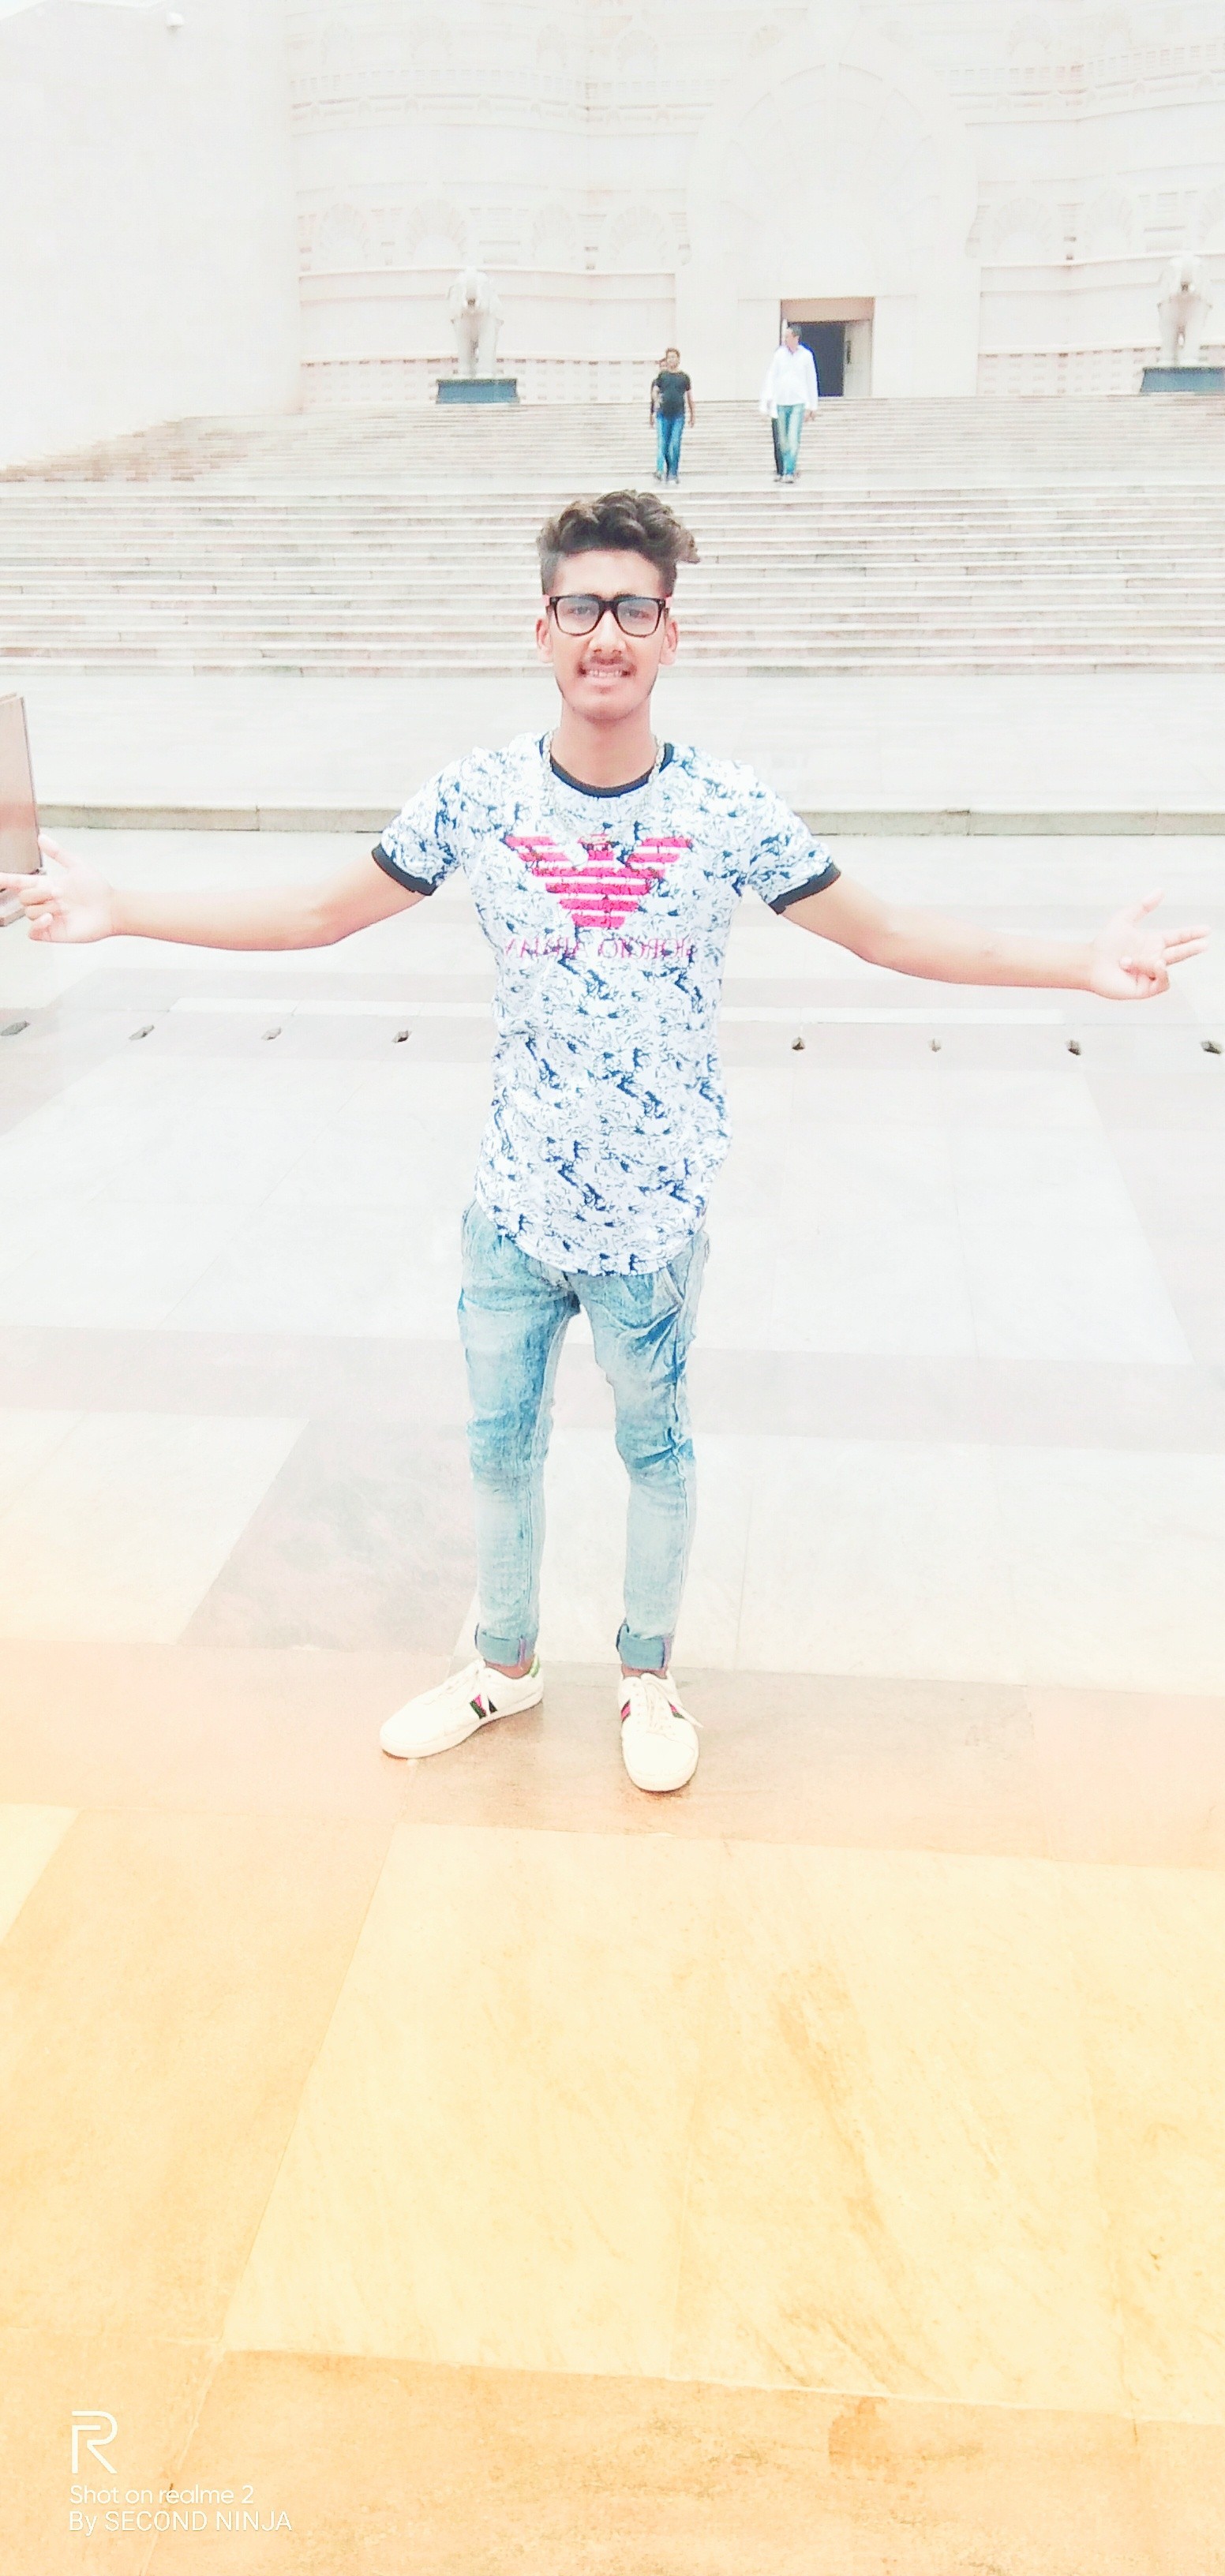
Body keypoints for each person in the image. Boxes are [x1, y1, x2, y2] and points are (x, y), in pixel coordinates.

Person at [2, 491, 1208, 1798]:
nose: (606, 635)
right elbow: (311, 914)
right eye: (581, 607)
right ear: (543, 628)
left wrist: (1076, 964)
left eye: (635, 608)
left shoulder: (725, 808)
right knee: (498, 1448)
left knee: (655, 1448)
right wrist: (121, 908)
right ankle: (502, 1663)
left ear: (671, 634)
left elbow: (889, 933)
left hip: (652, 1217)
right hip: (513, 1205)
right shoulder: (479, 797)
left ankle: (646, 1675)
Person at [759, 323, 819, 480]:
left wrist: (812, 406)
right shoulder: (779, 355)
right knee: (783, 441)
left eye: (788, 336)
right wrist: (766, 401)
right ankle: (786, 468)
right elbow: (771, 377)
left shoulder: (806, 356)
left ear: (796, 338)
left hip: (798, 403)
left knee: (793, 438)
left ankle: (789, 471)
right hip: (781, 403)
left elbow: (811, 381)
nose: (785, 339)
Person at [650, 348, 694, 483]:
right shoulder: (662, 376)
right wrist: (656, 400)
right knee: (662, 444)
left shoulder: (684, 377)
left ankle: (673, 473)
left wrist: (693, 415)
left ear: (678, 359)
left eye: (674, 357)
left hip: (678, 415)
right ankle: (662, 470)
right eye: (669, 357)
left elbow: (689, 397)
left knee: (675, 444)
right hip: (663, 415)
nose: (671, 360)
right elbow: (654, 391)